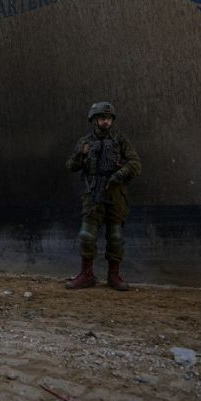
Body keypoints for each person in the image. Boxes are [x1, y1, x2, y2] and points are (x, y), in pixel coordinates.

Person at [64, 102, 142, 291]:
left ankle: (113, 276)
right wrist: (81, 155)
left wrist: (119, 174)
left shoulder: (120, 140)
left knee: (115, 237)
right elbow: (70, 166)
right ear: (94, 120)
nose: (105, 121)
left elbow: (136, 164)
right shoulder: (85, 142)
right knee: (86, 236)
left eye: (108, 118)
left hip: (115, 193)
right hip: (93, 194)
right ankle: (87, 275)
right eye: (101, 118)